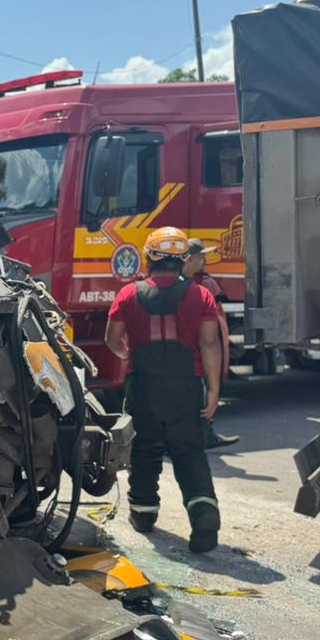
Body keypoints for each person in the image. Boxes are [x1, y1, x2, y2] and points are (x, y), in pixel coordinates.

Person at [105, 226, 224, 553]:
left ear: (149, 257)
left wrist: (131, 355)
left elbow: (111, 340)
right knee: (189, 451)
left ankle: (143, 514)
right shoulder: (202, 295)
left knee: (144, 449)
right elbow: (210, 343)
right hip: (186, 386)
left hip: (143, 383)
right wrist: (213, 390)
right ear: (183, 259)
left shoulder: (128, 294)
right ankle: (204, 520)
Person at [182, 239, 239, 450]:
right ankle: (204, 435)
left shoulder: (195, 281)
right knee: (201, 391)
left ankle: (205, 433)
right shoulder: (196, 284)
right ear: (190, 258)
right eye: (201, 256)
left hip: (189, 350)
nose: (205, 260)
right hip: (191, 351)